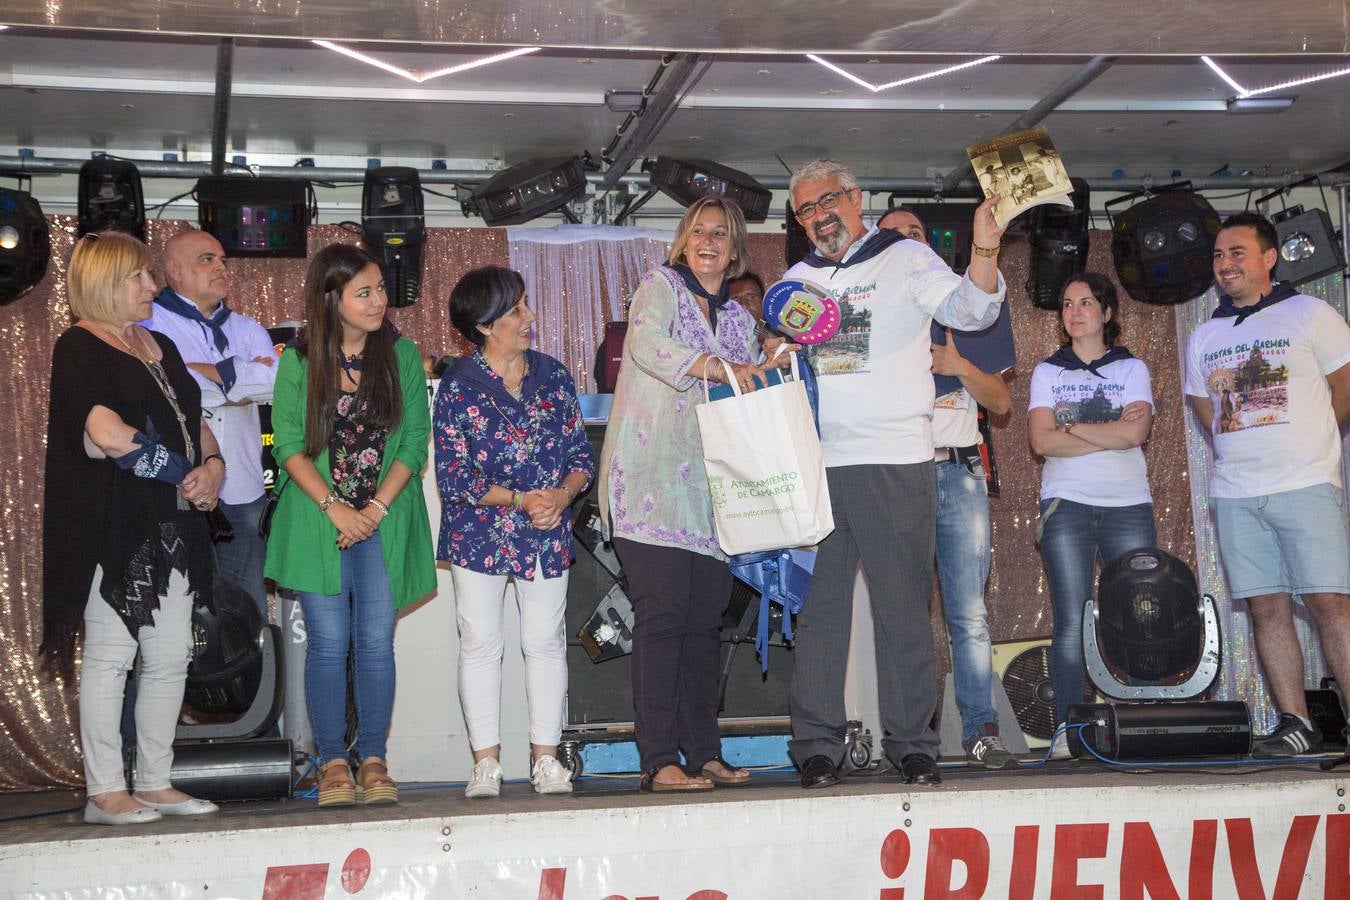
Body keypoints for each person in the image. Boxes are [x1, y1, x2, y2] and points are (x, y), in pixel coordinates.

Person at [784, 159, 1007, 789]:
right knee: (820, 611)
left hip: (895, 458)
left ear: (856, 198)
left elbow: (972, 312)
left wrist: (984, 245)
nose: (819, 217)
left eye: (827, 202)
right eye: (805, 210)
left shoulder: (905, 259)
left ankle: (912, 744)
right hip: (819, 461)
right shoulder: (798, 279)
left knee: (902, 607)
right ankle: (817, 748)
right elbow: (785, 361)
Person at [598, 196, 790, 792]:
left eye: (719, 234)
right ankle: (658, 761)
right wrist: (711, 365)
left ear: (735, 250)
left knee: (706, 623)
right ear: (684, 240)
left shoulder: (737, 318)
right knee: (663, 619)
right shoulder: (658, 288)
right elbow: (647, 347)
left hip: (711, 497)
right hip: (649, 483)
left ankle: (704, 751)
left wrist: (779, 360)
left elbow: (756, 380)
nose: (707, 240)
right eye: (697, 230)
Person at [41, 231, 222, 825]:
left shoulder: (161, 345)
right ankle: (104, 790)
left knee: (170, 654)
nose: (152, 286)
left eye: (150, 275)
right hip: (112, 525)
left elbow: (196, 424)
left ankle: (153, 779)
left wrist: (213, 469)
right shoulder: (79, 348)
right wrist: (183, 472)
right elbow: (106, 432)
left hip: (172, 524)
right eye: (139, 277)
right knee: (112, 657)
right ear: (104, 282)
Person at [263, 243, 436, 807]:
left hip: (382, 519)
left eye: (382, 289)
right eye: (365, 292)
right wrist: (335, 507)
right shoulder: (298, 359)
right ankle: (333, 760)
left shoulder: (402, 354)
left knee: (375, 644)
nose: (379, 301)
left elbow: (413, 441)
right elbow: (287, 444)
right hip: (320, 520)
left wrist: (375, 510)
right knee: (328, 644)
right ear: (331, 299)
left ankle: (375, 759)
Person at [1185, 212, 1350, 757]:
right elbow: (1203, 402)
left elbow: (1343, 385)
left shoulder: (1310, 313)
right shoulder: (1206, 334)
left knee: (1331, 603)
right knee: (1265, 608)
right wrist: (1238, 438)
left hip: (1304, 484)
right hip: (1235, 493)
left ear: (1268, 258)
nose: (1225, 264)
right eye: (1217, 255)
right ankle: (1296, 724)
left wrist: (1309, 439)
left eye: (1236, 252)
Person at [434, 265, 595, 798]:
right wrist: (522, 498)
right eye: (516, 311)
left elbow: (579, 457)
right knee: (480, 641)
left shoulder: (554, 375)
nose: (529, 318)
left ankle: (546, 759)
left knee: (545, 641)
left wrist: (562, 495)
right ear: (482, 325)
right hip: (479, 530)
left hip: (547, 528)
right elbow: (454, 478)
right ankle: (486, 762)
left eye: (526, 305)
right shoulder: (458, 385)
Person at [878, 206, 1017, 769]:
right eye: (893, 237)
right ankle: (907, 737)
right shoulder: (870, 317)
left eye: (916, 234)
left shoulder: (964, 310)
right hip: (897, 476)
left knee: (968, 612)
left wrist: (956, 363)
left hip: (959, 475)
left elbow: (1003, 404)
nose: (909, 243)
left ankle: (979, 731)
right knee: (901, 612)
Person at [1028, 273, 1155, 757]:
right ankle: (1068, 728)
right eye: (1066, 304)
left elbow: (1134, 436)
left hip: (1128, 505)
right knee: (1071, 618)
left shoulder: (1132, 368)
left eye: (1086, 303)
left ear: (1106, 312)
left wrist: (1072, 423)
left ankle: (1143, 723)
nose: (1075, 311)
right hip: (1067, 505)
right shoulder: (1047, 373)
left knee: (1140, 613)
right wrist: (1107, 427)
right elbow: (1042, 441)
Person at [147, 230, 278, 615]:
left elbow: (273, 384)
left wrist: (203, 374)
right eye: (207, 259)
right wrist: (237, 379)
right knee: (179, 613)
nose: (220, 267)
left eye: (222, 259)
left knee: (246, 613)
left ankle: (248, 677)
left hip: (244, 489)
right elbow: (168, 386)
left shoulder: (247, 328)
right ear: (174, 270)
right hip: (181, 489)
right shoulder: (150, 322)